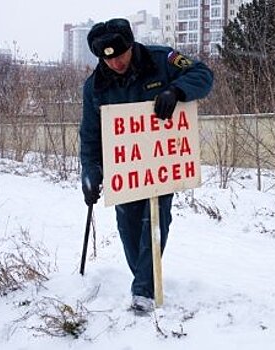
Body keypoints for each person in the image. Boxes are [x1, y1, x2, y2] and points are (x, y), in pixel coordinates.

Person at [79, 18, 213, 313]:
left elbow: (204, 75)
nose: (116, 63)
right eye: (108, 58)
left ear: (131, 45)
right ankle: (144, 278)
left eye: (121, 55)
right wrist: (89, 174)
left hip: (161, 163)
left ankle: (143, 291)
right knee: (127, 228)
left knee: (155, 219)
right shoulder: (95, 87)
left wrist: (176, 91)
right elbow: (90, 137)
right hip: (124, 169)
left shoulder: (161, 59)